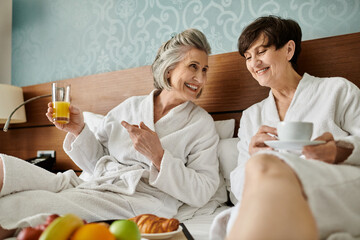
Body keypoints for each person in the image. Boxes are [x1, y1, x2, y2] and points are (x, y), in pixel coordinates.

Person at [0, 28, 226, 238]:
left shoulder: (200, 125)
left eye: (205, 69)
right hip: (96, 184)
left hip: (138, 200)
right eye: (193, 67)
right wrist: (78, 130)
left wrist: (159, 156)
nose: (202, 78)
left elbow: (203, 191)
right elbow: (97, 162)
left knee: (19, 205)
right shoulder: (130, 107)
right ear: (169, 69)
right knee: (4, 167)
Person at [210, 16, 360, 240]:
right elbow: (239, 190)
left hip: (331, 188)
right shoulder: (252, 116)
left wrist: (339, 149)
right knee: (261, 165)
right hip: (269, 192)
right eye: (248, 57)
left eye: (261, 52)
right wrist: (252, 157)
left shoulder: (337, 90)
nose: (253, 63)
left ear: (289, 49)